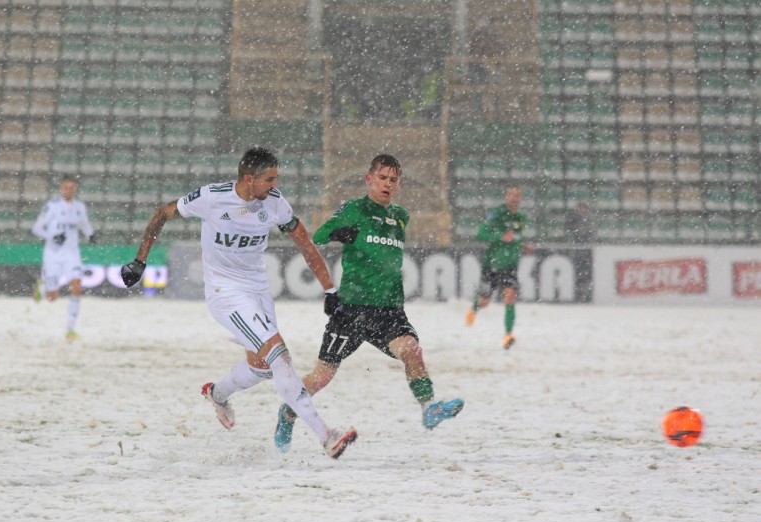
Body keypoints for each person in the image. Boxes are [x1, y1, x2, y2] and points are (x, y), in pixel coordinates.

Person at [119, 147, 357, 459]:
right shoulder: (212, 197)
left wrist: (330, 290)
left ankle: (216, 393)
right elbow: (162, 213)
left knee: (260, 367)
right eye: (269, 179)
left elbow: (304, 243)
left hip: (258, 290)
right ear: (249, 178)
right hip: (225, 293)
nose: (275, 185)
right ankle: (326, 436)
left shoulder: (274, 203)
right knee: (279, 355)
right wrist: (140, 260)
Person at [272, 154, 464, 453]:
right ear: (369, 179)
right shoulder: (354, 209)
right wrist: (339, 231)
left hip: (388, 310)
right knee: (322, 377)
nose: (388, 184)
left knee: (412, 351)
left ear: (398, 184)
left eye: (393, 179)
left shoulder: (401, 216)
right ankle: (287, 413)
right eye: (382, 178)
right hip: (351, 310)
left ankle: (429, 408)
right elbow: (319, 237)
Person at [465, 185, 533, 349]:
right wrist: (500, 237)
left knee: (510, 296)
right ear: (506, 197)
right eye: (511, 195)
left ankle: (508, 335)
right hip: (492, 263)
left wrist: (522, 244)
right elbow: (480, 233)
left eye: (517, 196)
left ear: (520, 198)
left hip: (510, 265)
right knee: (484, 300)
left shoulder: (521, 217)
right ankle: (473, 309)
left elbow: (515, 236)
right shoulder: (497, 214)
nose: (514, 198)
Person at [31, 174, 96, 342]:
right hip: (53, 255)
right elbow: (36, 228)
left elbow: (84, 224)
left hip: (72, 255)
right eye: (66, 187)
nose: (69, 190)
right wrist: (51, 237)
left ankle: (70, 329)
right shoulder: (51, 207)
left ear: (75, 189)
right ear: (61, 189)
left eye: (72, 188)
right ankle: (43, 287)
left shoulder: (80, 207)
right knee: (53, 297)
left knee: (77, 286)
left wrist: (90, 235)